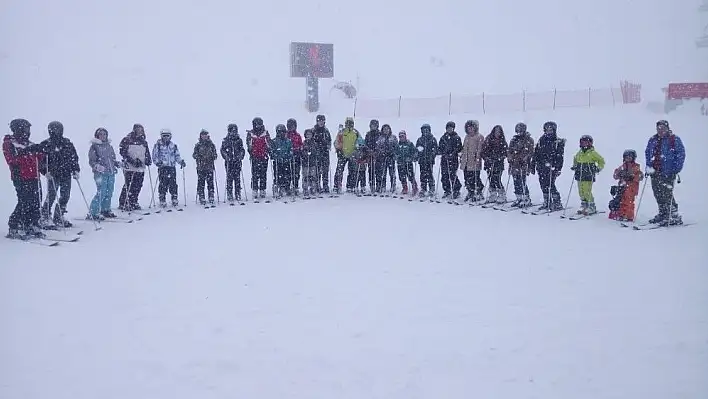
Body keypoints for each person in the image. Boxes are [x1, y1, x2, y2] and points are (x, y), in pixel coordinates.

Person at [3, 118, 45, 238]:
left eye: (28, 129)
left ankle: (31, 223)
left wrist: (42, 153)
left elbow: (37, 158)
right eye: (26, 128)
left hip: (34, 176)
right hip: (20, 176)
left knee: (36, 200)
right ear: (18, 129)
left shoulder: (29, 143)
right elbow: (12, 160)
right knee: (25, 201)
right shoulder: (10, 143)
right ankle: (14, 225)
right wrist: (27, 152)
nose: (28, 131)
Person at [38, 121, 80, 228]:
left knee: (65, 195)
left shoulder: (67, 143)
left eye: (58, 129)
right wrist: (44, 171)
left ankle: (59, 215)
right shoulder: (46, 144)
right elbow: (41, 161)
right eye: (53, 129)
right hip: (53, 174)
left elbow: (74, 157)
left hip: (66, 173)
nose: (56, 131)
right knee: (52, 195)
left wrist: (75, 169)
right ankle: (45, 216)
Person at [644, 120, 686, 225]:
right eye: (659, 128)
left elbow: (681, 154)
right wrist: (649, 166)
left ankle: (673, 215)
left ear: (667, 128)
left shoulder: (674, 139)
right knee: (657, 193)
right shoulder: (653, 139)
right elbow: (648, 152)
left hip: (668, 172)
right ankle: (663, 213)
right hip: (655, 171)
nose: (660, 130)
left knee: (666, 193)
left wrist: (676, 168)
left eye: (663, 128)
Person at [87, 127, 120, 220]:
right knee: (101, 192)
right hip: (100, 173)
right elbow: (92, 161)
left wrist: (117, 163)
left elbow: (112, 159)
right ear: (97, 136)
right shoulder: (94, 146)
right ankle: (93, 212)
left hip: (111, 172)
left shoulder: (109, 146)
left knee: (109, 192)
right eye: (100, 134)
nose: (103, 136)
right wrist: (97, 166)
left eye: (104, 134)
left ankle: (105, 210)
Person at [531, 121, 565, 211]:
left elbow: (560, 156)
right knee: (543, 184)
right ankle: (547, 201)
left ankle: (557, 202)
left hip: (551, 167)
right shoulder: (541, 140)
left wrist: (558, 168)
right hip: (541, 166)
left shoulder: (557, 142)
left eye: (551, 130)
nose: (549, 132)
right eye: (547, 130)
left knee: (550, 184)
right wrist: (533, 164)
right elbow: (536, 153)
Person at [118, 123, 151, 211]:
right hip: (130, 166)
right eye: (138, 129)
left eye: (141, 130)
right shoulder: (127, 139)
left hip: (140, 166)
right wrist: (131, 160)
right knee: (128, 184)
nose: (140, 131)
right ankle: (124, 202)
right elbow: (122, 151)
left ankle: (133, 201)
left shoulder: (143, 141)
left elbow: (146, 152)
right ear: (134, 130)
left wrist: (148, 159)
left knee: (138, 185)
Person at [571, 135, 605, 215]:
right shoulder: (579, 152)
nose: (584, 144)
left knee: (587, 191)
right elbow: (575, 159)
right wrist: (575, 166)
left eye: (586, 142)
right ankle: (584, 205)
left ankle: (591, 206)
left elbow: (601, 161)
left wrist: (598, 168)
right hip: (579, 174)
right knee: (581, 190)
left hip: (588, 174)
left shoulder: (592, 153)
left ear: (590, 143)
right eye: (582, 142)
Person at [152, 128, 186, 208]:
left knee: (173, 183)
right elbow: (155, 155)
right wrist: (157, 162)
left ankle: (174, 197)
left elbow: (177, 155)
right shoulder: (158, 145)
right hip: (163, 167)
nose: (166, 137)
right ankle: (162, 197)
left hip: (171, 167)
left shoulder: (173, 146)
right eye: (164, 136)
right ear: (161, 136)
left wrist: (181, 161)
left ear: (170, 136)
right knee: (163, 183)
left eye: (167, 136)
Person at [609, 150, 643, 222]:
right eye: (626, 157)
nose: (628, 159)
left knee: (629, 202)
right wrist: (619, 174)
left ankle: (629, 216)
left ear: (633, 158)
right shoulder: (622, 166)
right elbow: (615, 175)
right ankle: (621, 214)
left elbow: (640, 176)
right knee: (622, 201)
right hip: (622, 187)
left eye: (630, 157)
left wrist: (633, 177)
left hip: (632, 188)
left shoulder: (636, 166)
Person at [507, 122, 534, 208]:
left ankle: (526, 198)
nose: (519, 132)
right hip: (514, 163)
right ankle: (519, 198)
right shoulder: (514, 139)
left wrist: (526, 158)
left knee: (522, 181)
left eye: (521, 131)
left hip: (523, 163)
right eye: (518, 131)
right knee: (516, 181)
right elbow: (509, 150)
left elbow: (531, 151)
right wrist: (510, 157)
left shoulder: (529, 139)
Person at [480, 125, 508, 204]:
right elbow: (483, 150)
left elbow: (505, 152)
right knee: (491, 179)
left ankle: (502, 195)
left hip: (498, 163)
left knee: (497, 179)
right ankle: (493, 195)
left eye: (499, 132)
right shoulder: (488, 139)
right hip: (489, 163)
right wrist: (487, 158)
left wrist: (499, 157)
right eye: (496, 131)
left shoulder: (502, 140)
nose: (497, 133)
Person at [459, 120, 485, 202]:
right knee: (467, 178)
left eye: (471, 127)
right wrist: (462, 155)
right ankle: (470, 192)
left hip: (473, 161)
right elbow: (464, 148)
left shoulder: (479, 137)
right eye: (468, 127)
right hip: (466, 161)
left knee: (475, 178)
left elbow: (479, 149)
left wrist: (477, 158)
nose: (470, 129)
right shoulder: (467, 137)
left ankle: (478, 192)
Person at [333, 117, 360, 194]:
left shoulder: (355, 132)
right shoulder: (341, 132)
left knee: (352, 171)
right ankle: (337, 186)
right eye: (347, 123)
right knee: (339, 170)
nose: (349, 125)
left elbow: (360, 141)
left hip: (352, 155)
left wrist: (357, 149)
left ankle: (350, 186)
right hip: (342, 154)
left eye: (350, 123)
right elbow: (336, 142)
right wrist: (338, 149)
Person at [246, 117, 271, 199]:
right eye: (256, 124)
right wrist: (251, 152)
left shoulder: (265, 133)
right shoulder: (251, 133)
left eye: (259, 124)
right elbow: (249, 144)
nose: (257, 126)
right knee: (255, 174)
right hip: (255, 157)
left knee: (263, 174)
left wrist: (267, 151)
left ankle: (263, 189)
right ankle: (255, 190)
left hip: (263, 156)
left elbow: (268, 143)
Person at [220, 123, 245, 203]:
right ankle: (229, 193)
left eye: (235, 131)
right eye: (232, 131)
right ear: (229, 131)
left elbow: (242, 150)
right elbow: (222, 150)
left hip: (237, 161)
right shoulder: (225, 140)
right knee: (229, 178)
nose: (234, 133)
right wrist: (226, 156)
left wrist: (241, 156)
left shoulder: (239, 140)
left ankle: (238, 193)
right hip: (229, 162)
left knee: (237, 178)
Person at [438, 121, 463, 199]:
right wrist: (443, 152)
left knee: (452, 175)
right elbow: (440, 147)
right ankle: (447, 190)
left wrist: (453, 153)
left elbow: (459, 148)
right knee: (444, 175)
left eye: (451, 128)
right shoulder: (443, 137)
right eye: (448, 128)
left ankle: (456, 190)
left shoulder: (456, 137)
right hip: (444, 159)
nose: (449, 129)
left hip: (453, 159)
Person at [193, 129, 218, 205]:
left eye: (205, 135)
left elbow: (215, 154)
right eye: (203, 135)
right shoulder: (198, 145)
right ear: (200, 136)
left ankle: (211, 196)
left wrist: (213, 156)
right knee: (201, 182)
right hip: (201, 167)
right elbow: (194, 155)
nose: (204, 136)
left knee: (210, 182)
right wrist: (199, 157)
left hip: (209, 166)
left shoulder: (211, 144)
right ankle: (201, 196)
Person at [270, 124, 293, 198]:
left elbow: (290, 149)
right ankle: (277, 188)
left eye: (283, 132)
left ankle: (286, 187)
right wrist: (274, 155)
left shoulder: (288, 141)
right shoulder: (274, 141)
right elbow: (272, 150)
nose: (282, 133)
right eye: (280, 132)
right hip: (278, 161)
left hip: (286, 160)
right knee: (278, 175)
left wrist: (290, 154)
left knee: (287, 175)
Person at [415, 123, 438, 197]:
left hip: (429, 160)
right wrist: (418, 154)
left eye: (426, 130)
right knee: (422, 175)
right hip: (422, 160)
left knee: (430, 174)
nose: (425, 131)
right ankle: (423, 188)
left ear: (429, 130)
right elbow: (418, 148)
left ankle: (431, 188)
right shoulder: (420, 139)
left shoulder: (432, 139)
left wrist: (432, 154)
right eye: (423, 130)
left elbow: (435, 149)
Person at [374, 124, 398, 193]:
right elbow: (378, 147)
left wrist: (392, 152)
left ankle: (393, 186)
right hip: (383, 157)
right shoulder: (380, 138)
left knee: (392, 173)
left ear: (389, 130)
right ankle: (383, 186)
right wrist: (381, 152)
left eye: (387, 129)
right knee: (383, 173)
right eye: (384, 129)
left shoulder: (393, 137)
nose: (386, 130)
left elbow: (396, 147)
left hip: (391, 157)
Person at [312, 114, 332, 193]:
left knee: (325, 170)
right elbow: (311, 140)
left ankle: (325, 185)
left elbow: (329, 140)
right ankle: (317, 185)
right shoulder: (314, 130)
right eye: (319, 121)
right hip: (317, 153)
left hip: (325, 153)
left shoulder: (326, 131)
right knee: (317, 170)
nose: (320, 122)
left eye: (322, 121)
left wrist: (328, 145)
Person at [396, 130, 418, 196]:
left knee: (410, 176)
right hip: (400, 163)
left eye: (402, 136)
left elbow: (414, 151)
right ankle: (405, 188)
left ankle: (414, 188)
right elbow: (395, 152)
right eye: (400, 137)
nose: (401, 138)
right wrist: (396, 157)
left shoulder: (409, 144)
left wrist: (412, 157)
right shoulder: (398, 145)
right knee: (402, 176)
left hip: (408, 163)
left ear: (405, 136)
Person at [285, 118, 303, 195]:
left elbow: (300, 144)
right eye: (290, 126)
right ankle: (287, 187)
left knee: (296, 173)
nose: (291, 128)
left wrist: (300, 149)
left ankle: (295, 187)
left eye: (293, 126)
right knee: (288, 173)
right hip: (288, 156)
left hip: (296, 156)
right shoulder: (285, 135)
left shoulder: (297, 135)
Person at [364, 119, 381, 193]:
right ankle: (372, 185)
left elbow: (381, 144)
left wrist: (377, 151)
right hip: (370, 155)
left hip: (378, 156)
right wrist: (368, 151)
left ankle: (378, 185)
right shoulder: (368, 134)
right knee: (371, 171)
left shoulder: (380, 134)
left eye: (374, 125)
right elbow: (365, 144)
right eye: (372, 125)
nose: (373, 127)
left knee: (378, 171)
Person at [301, 129, 319, 197]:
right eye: (307, 134)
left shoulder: (314, 143)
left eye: (310, 134)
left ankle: (313, 188)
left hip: (312, 163)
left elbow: (316, 151)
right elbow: (302, 152)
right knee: (305, 176)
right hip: (305, 163)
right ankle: (305, 189)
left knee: (313, 176)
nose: (309, 136)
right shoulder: (304, 143)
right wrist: (305, 153)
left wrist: (313, 153)